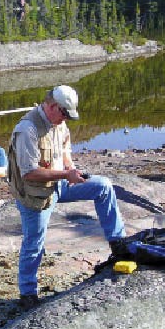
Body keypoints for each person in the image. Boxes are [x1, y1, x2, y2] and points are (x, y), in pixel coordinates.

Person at [8, 85, 127, 308]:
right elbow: (29, 173)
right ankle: (27, 292)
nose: (66, 120)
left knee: (103, 186)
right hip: (36, 194)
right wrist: (66, 174)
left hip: (59, 184)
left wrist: (72, 171)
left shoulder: (59, 124)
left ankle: (119, 243)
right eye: (64, 114)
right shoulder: (28, 129)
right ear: (52, 106)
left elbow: (64, 152)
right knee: (34, 243)